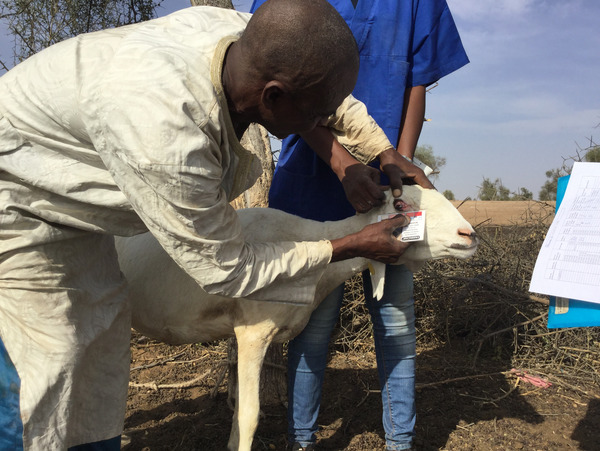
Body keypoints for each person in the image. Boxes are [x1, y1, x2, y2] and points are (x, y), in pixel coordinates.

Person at [0, 1, 421, 449]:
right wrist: (350, 245)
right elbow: (229, 269)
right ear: (273, 97)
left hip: (77, 196)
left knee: (101, 338)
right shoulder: (168, 134)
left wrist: (384, 152)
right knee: (49, 360)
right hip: (19, 198)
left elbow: (335, 102)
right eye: (316, 116)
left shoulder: (244, 37)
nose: (322, 125)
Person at [249, 0, 469, 450]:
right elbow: (282, 82)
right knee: (313, 326)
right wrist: (342, 164)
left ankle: (400, 443)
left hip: (392, 190)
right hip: (312, 186)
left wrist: (399, 166)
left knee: (396, 320)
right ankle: (302, 441)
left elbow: (417, 81)